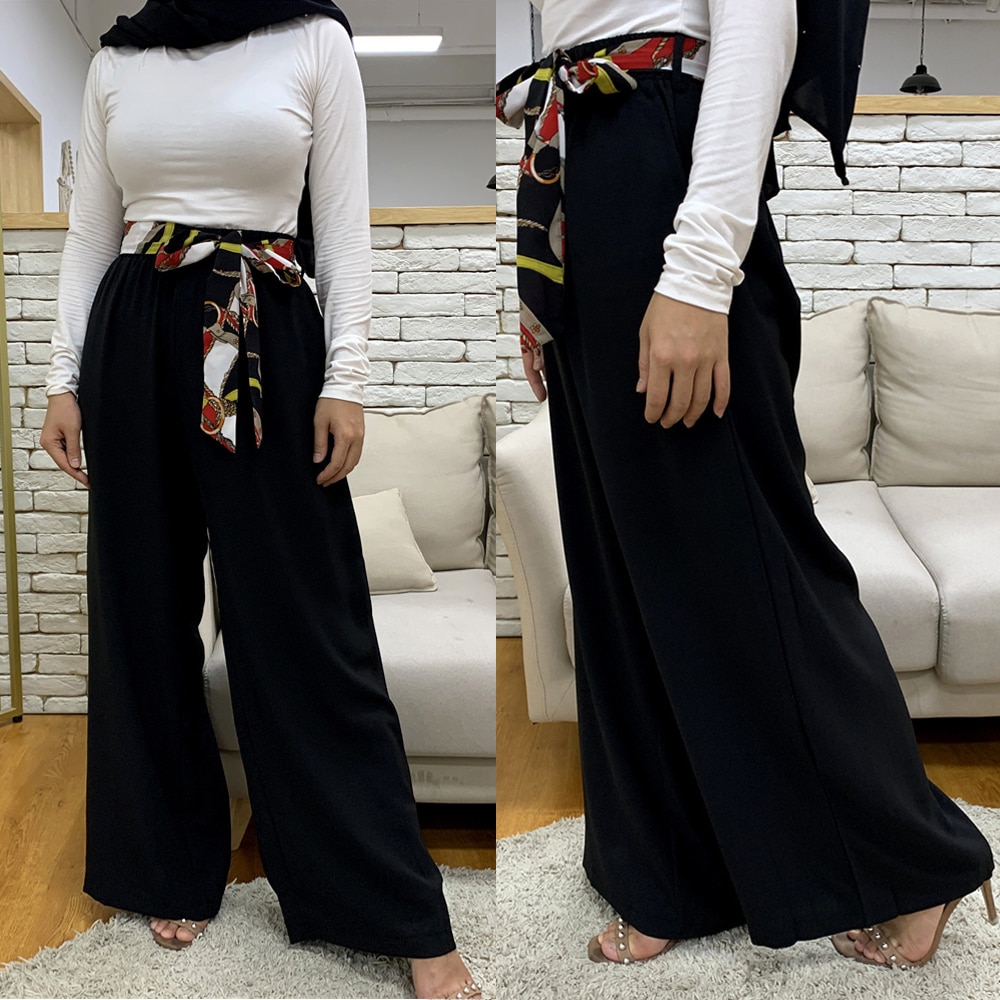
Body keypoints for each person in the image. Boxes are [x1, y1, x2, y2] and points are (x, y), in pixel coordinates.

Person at [498, 0, 996, 974]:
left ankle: (915, 857)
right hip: (582, 170)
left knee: (750, 565)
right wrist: (539, 281)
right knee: (621, 574)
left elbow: (760, 20)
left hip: (658, 159)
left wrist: (698, 270)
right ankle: (669, 873)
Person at [40, 2, 481, 997]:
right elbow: (90, 232)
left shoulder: (313, 37)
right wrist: (63, 376)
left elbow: (345, 225)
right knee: (143, 613)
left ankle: (392, 905)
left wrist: (346, 377)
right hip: (136, 330)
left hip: (260, 325)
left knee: (305, 622)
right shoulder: (119, 60)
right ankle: (168, 865)